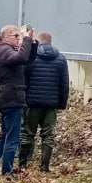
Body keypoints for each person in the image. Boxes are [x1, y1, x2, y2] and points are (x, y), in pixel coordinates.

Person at [0, 25, 36, 177]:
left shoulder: (5, 50)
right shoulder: (5, 50)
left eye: (19, 37)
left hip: (10, 97)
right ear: (6, 37)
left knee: (4, 135)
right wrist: (26, 39)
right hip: (12, 98)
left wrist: (31, 42)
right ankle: (7, 171)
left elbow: (28, 59)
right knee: (12, 138)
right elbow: (21, 57)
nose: (18, 39)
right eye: (16, 36)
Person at [18, 31, 69, 173]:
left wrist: (23, 99)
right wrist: (61, 104)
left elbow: (24, 80)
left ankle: (23, 163)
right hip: (51, 105)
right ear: (51, 42)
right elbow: (64, 84)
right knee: (48, 135)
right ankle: (45, 166)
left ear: (38, 42)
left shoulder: (31, 57)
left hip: (32, 103)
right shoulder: (61, 59)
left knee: (27, 133)